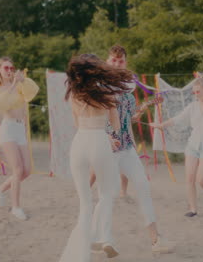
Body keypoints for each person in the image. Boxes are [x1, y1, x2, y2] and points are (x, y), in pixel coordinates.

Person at [90, 45, 174, 254]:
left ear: (125, 63)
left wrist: (146, 106)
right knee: (106, 196)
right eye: (114, 60)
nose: (118, 63)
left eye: (121, 60)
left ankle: (156, 241)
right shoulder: (99, 86)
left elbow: (130, 115)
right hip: (107, 148)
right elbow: (91, 118)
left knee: (143, 187)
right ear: (107, 61)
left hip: (127, 147)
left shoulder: (128, 87)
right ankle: (95, 238)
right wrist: (105, 135)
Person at [58, 54, 131, 262]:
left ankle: (82, 253)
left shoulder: (73, 94)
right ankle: (105, 237)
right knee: (108, 193)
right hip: (99, 142)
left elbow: (77, 123)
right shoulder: (106, 92)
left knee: (85, 203)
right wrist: (110, 136)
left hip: (79, 143)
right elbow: (115, 124)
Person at [151, 74, 203, 217]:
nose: (195, 94)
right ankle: (193, 209)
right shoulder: (192, 106)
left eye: (198, 91)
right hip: (193, 145)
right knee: (190, 178)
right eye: (194, 91)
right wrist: (161, 125)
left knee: (202, 179)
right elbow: (177, 119)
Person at [0, 56, 39, 220]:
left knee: (27, 171)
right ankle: (16, 207)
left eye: (11, 68)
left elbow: (33, 91)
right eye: (6, 68)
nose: (9, 71)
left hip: (20, 129)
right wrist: (12, 87)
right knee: (17, 170)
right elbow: (2, 104)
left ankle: (0, 189)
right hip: (8, 129)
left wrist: (23, 80)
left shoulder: (18, 86)